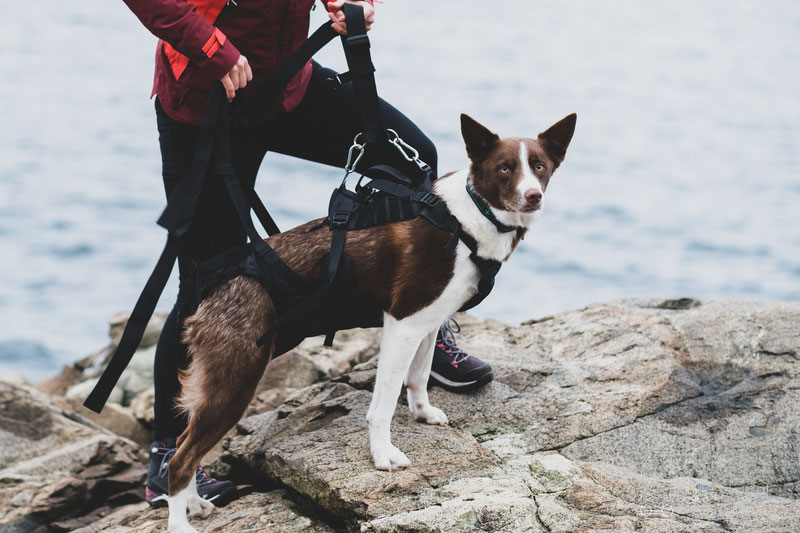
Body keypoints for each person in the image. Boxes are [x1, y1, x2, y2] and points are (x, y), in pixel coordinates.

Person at [121, 0, 495, 507]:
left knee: (413, 162)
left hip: (287, 86)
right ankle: (170, 454)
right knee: (206, 281)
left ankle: (426, 328)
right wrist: (211, 46)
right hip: (208, 93)